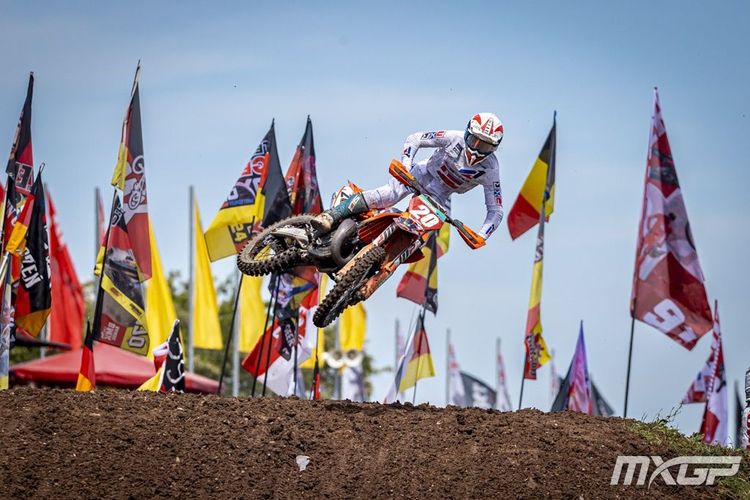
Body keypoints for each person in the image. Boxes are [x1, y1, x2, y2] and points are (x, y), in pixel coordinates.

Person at [312, 112, 505, 240]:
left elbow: (496, 210)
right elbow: (415, 139)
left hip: (438, 196)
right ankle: (331, 215)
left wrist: (482, 235)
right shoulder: (452, 137)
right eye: (474, 140)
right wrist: (406, 166)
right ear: (467, 133)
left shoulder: (491, 169)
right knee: (389, 195)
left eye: (484, 145)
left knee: (420, 233)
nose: (476, 148)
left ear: (494, 147)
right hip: (421, 174)